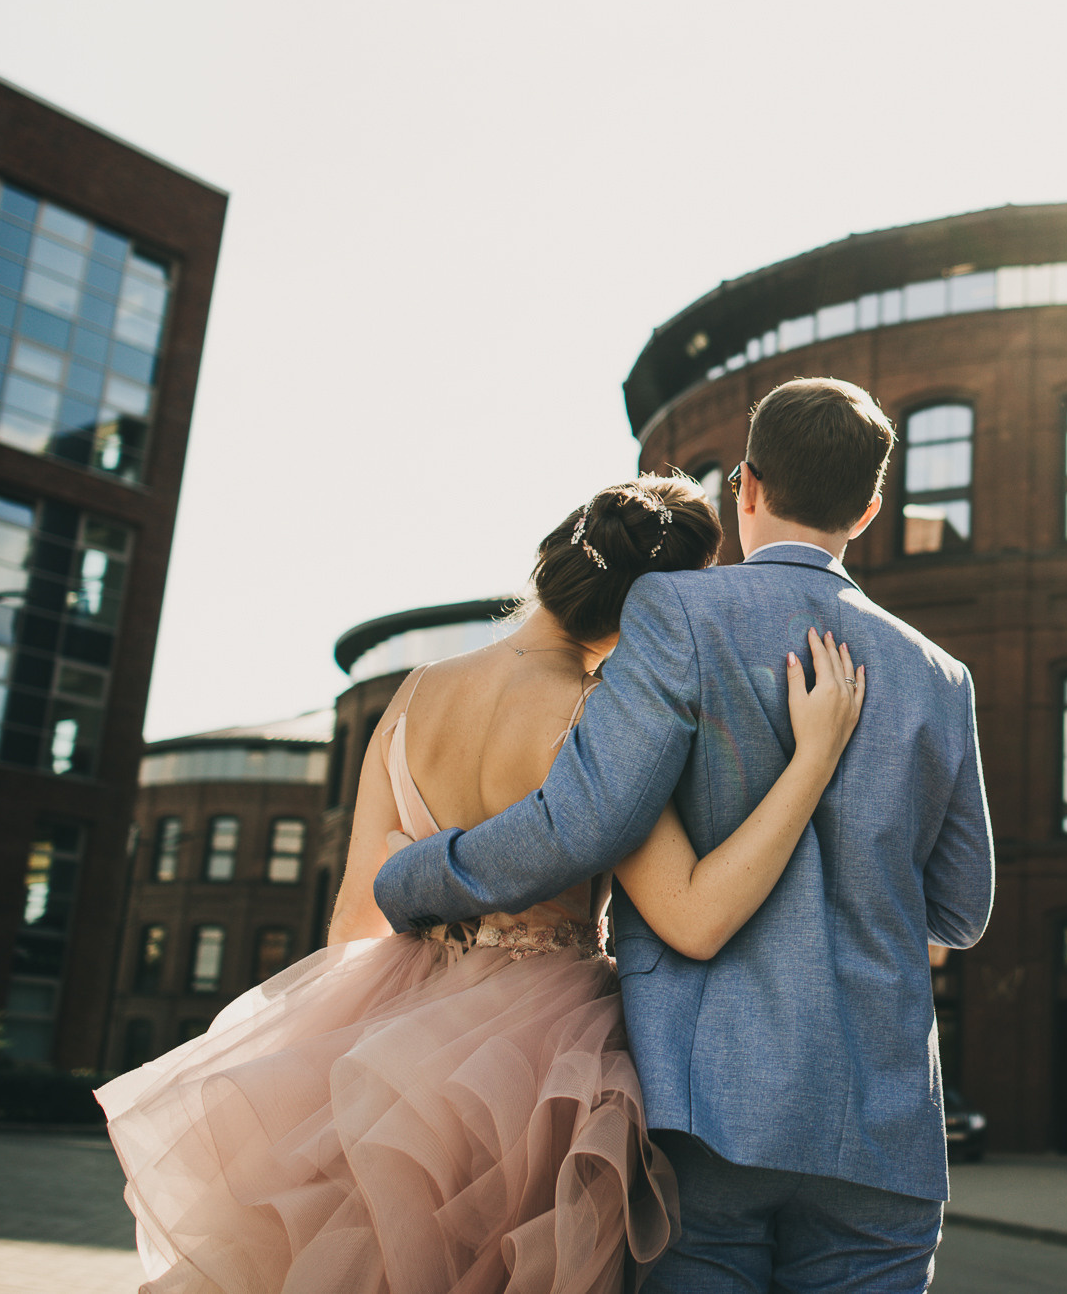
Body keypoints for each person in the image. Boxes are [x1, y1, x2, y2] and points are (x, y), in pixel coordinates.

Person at [99, 475, 870, 1294]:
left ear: (551, 558)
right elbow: (694, 913)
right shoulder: (602, 718)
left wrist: (368, 1051)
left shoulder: (413, 695)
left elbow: (356, 920)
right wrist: (813, 761)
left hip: (389, 1041)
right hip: (546, 1062)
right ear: (653, 609)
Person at [376, 376, 995, 1294]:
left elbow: (578, 823)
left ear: (744, 484)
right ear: (867, 511)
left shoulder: (676, 614)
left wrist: (413, 878)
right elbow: (962, 910)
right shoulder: (940, 677)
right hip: (885, 1125)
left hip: (708, 1115)